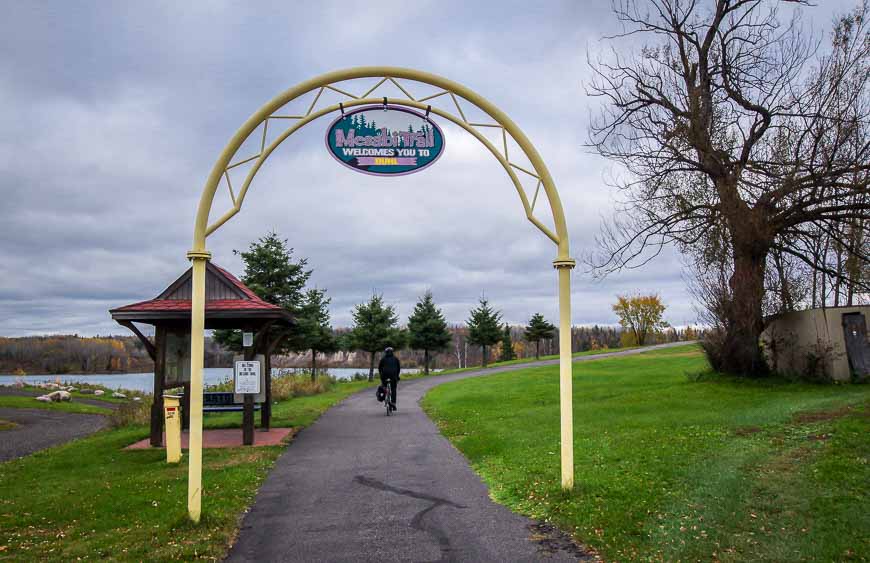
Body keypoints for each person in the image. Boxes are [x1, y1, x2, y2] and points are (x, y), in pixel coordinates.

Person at [378, 346, 401, 411]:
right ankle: (393, 403)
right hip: (393, 376)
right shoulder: (396, 359)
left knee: (383, 386)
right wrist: (397, 376)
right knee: (393, 389)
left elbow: (379, 368)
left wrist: (381, 375)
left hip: (384, 376)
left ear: (386, 352)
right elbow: (398, 368)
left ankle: (382, 397)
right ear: (392, 352)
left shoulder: (383, 359)